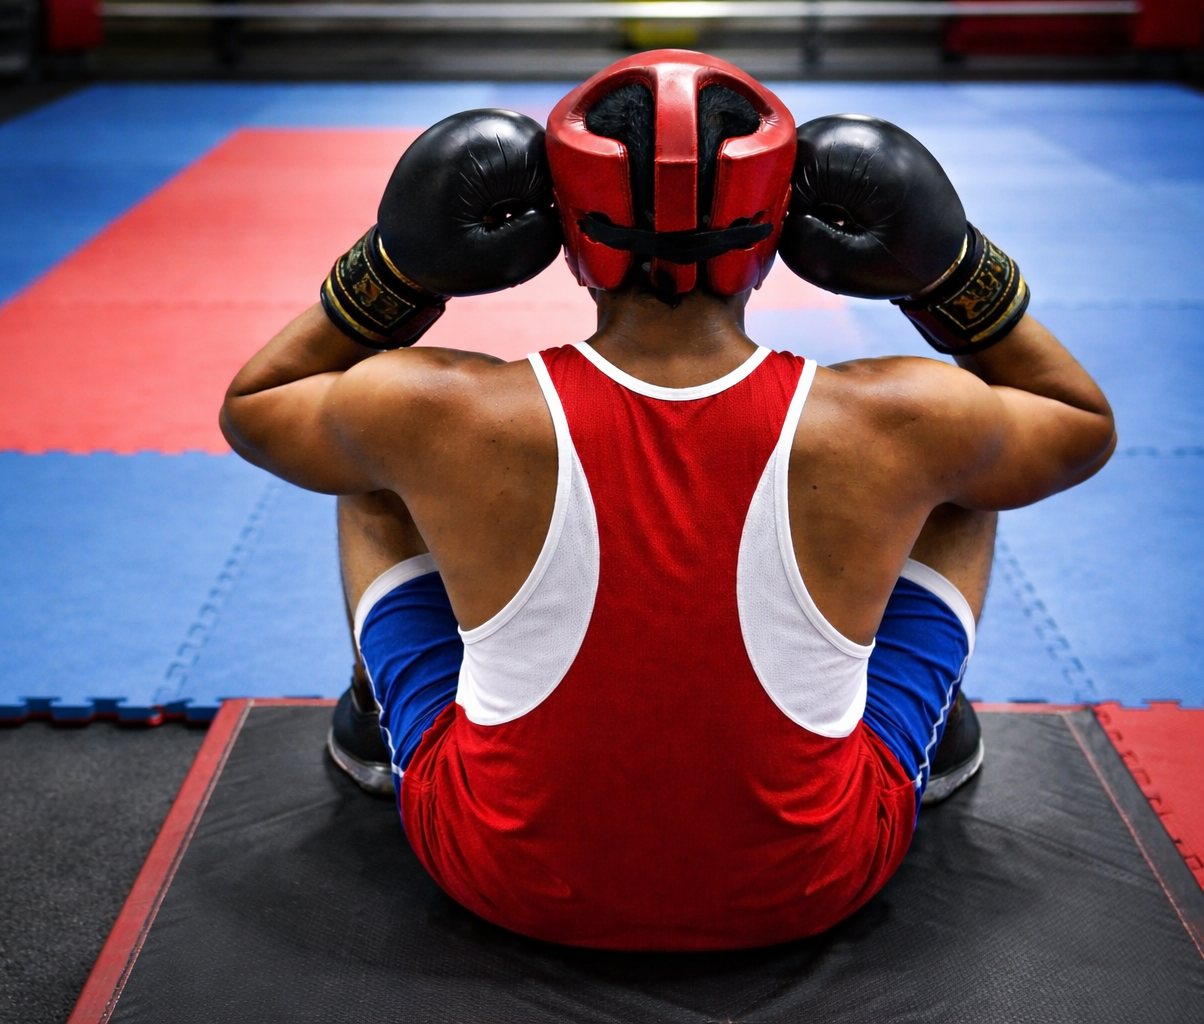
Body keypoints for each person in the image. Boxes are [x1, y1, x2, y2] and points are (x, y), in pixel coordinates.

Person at [219, 51, 1115, 951]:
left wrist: (400, 273)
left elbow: (255, 410)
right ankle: (930, 723)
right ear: (780, 230)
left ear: (564, 234)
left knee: (372, 458)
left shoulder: (435, 409)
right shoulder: (901, 416)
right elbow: (1077, 423)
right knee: (964, 470)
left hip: (499, 873)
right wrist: (951, 273)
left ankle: (380, 720)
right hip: (816, 880)